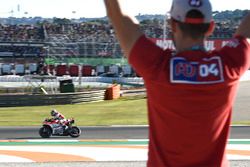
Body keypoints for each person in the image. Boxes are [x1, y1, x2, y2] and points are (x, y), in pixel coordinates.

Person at [104, 0, 250, 166]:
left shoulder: (157, 65)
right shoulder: (230, 63)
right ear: (210, 27)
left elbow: (118, 15)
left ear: (173, 25)